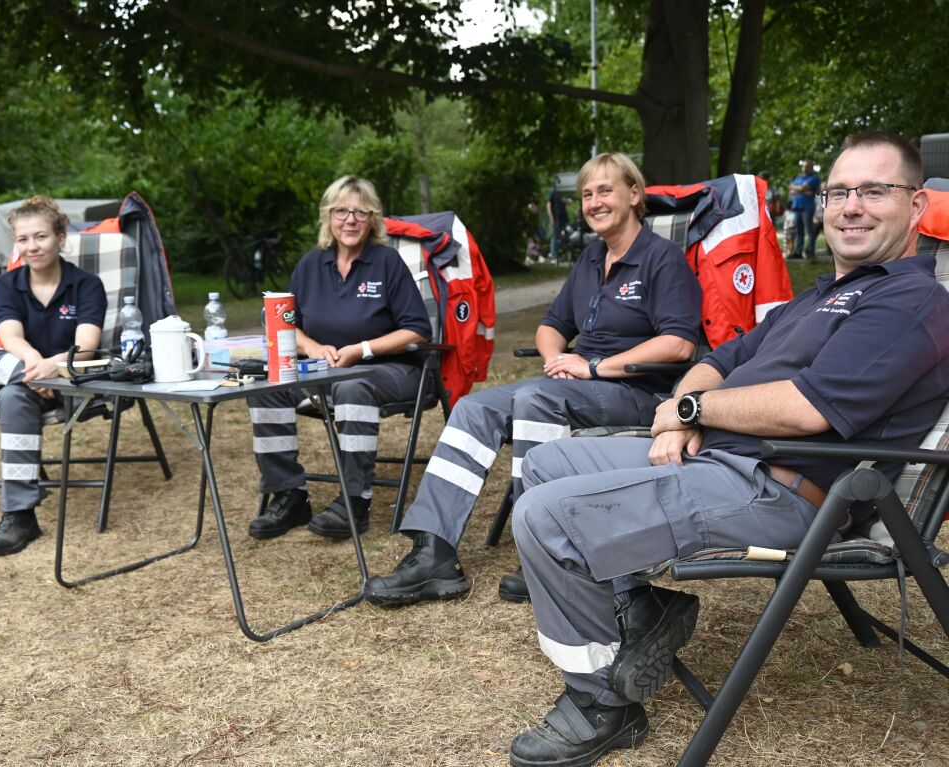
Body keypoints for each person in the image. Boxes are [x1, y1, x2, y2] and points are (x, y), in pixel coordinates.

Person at [505, 131, 949, 766]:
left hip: (786, 489)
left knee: (546, 519)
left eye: (876, 190)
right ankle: (643, 607)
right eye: (840, 192)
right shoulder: (817, 296)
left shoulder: (912, 301)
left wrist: (689, 410)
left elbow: (806, 409)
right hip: (719, 458)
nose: (852, 206)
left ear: (915, 206)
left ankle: (599, 702)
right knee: (548, 461)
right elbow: (721, 358)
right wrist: (684, 417)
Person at [363, 152, 703, 607]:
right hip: (577, 384)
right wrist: (556, 356)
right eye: (586, 194)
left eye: (605, 190)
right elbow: (551, 324)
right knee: (473, 408)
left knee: (536, 401)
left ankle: (541, 548)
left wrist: (593, 366)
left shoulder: (661, 259)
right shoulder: (591, 259)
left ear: (635, 194)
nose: (594, 202)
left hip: (639, 390)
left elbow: (679, 344)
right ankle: (434, 551)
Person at [246, 176, 431, 541]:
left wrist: (362, 349)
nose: (350, 219)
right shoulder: (311, 265)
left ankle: (354, 500)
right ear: (328, 217)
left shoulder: (387, 262)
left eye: (360, 212)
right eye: (341, 211)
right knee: (266, 388)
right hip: (324, 370)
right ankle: (289, 495)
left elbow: (417, 330)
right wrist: (312, 347)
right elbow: (284, 323)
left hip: (390, 368)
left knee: (352, 385)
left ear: (372, 219)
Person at [0, 197, 108, 557]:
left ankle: (20, 516)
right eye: (23, 239)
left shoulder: (86, 285)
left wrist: (52, 369)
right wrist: (33, 366)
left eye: (41, 237)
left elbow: (87, 348)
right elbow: (11, 337)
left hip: (64, 382)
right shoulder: (8, 284)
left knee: (12, 397)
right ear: (15, 243)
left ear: (61, 238)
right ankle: (23, 379)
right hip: (15, 372)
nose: (32, 246)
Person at [787, 158, 822, 259]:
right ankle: (798, 251)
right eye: (803, 166)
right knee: (799, 231)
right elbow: (791, 189)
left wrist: (798, 189)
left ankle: (810, 251)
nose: (804, 168)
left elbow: (802, 188)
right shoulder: (798, 178)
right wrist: (802, 190)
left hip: (808, 208)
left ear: (811, 168)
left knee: (809, 230)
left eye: (807, 167)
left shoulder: (814, 178)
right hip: (796, 207)